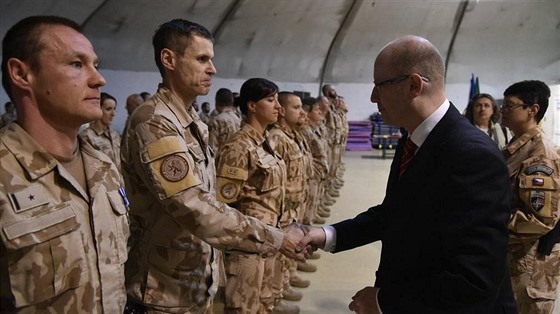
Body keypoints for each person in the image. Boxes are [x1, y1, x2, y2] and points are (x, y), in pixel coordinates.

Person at [298, 35, 516, 314]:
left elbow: (474, 280)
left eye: (380, 86)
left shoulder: (472, 156)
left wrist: (383, 302)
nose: (373, 97)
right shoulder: (414, 137)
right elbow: (396, 212)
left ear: (414, 85)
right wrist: (328, 234)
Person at [121, 19, 306, 313]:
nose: (213, 69)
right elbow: (193, 206)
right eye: (202, 59)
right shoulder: (155, 122)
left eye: (212, 60)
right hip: (163, 292)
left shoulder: (190, 121)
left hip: (192, 280)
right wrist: (276, 238)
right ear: (168, 59)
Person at [0, 16, 129, 312]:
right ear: (22, 74)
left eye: (95, 65)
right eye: (76, 64)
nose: (99, 79)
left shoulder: (103, 167)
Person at [214, 78, 290, 313]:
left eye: (278, 100)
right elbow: (223, 207)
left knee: (264, 305)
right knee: (243, 309)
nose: (278, 107)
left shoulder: (265, 144)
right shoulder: (238, 148)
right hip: (245, 250)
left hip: (267, 241)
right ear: (252, 105)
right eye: (270, 100)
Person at [500, 80, 560, 314]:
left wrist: (493, 226)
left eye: (510, 105)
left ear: (532, 110)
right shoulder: (518, 147)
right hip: (515, 261)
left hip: (531, 268)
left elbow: (540, 219)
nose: (502, 110)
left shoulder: (539, 154)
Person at [80, 91, 122, 170]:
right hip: (102, 180)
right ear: (98, 109)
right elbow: (89, 166)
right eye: (108, 109)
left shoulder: (114, 134)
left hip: (120, 180)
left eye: (114, 109)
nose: (113, 114)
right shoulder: (87, 136)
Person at [208, 87, 241, 153]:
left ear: (217, 102)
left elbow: (212, 147)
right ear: (232, 102)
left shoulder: (216, 120)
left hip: (221, 159)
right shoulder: (238, 118)